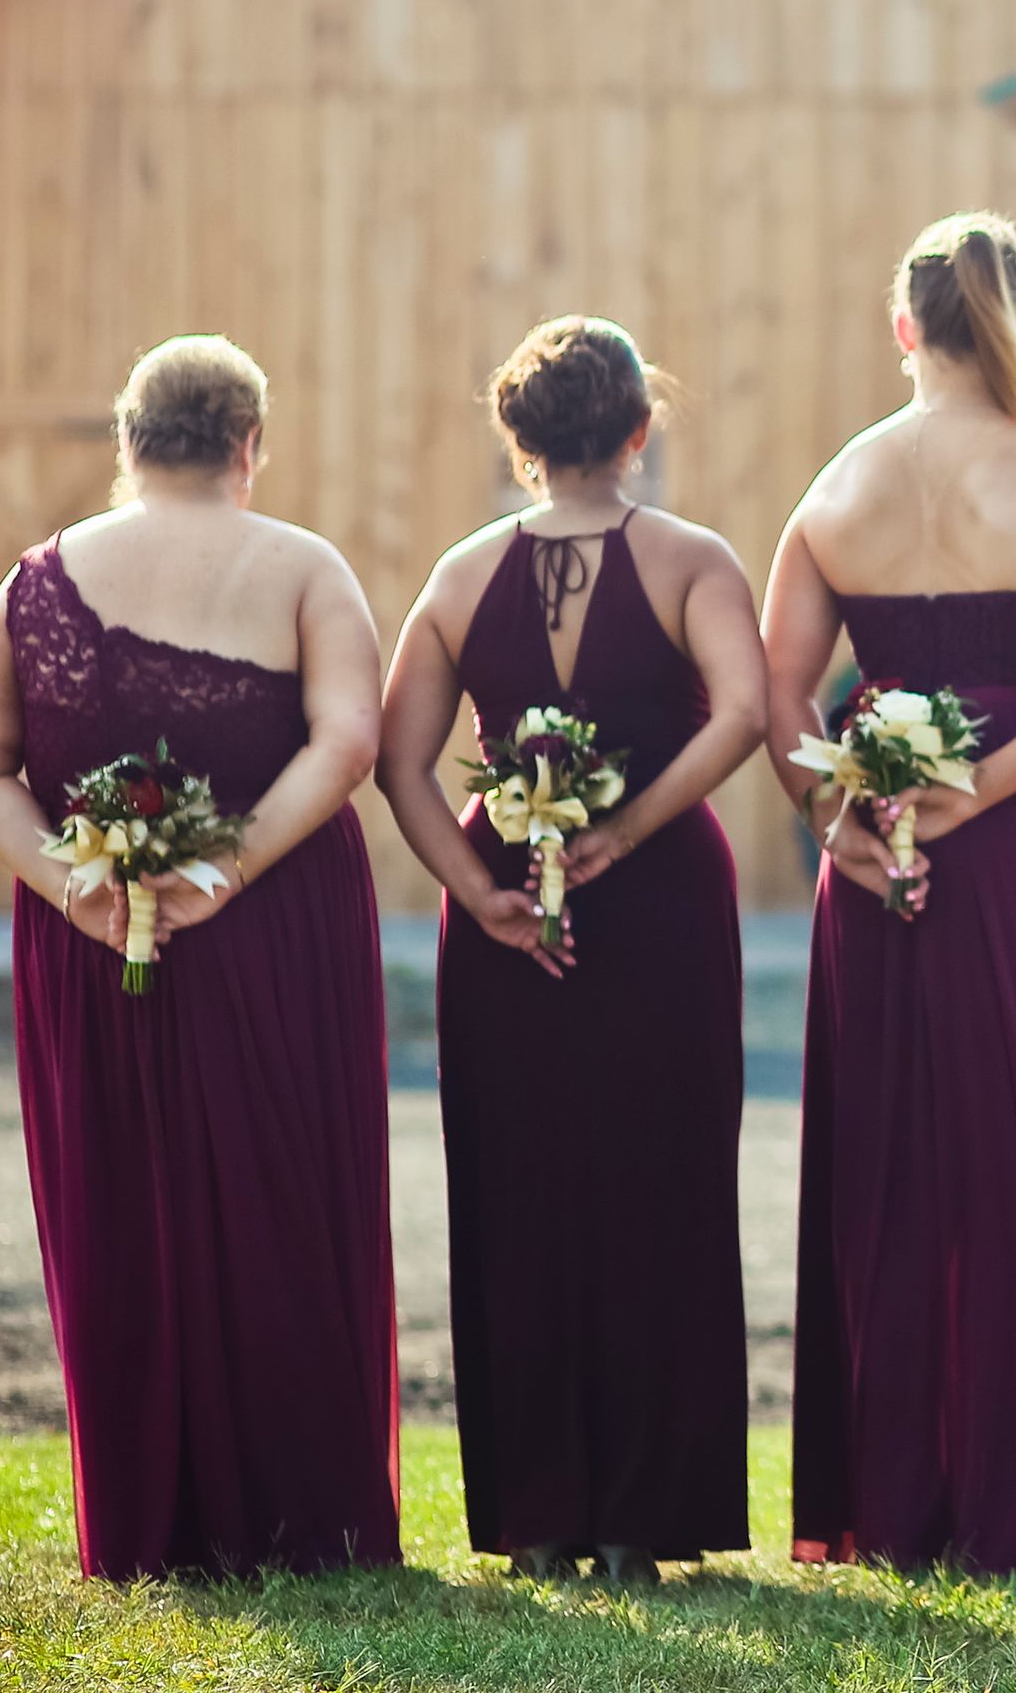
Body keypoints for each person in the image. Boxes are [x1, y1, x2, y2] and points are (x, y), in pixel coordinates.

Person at [0, 336, 398, 1577]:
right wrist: (232, 867)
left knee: (123, 1200)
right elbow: (349, 739)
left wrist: (79, 888)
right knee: (288, 1197)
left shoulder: (34, 584)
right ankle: (315, 1518)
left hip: (93, 945)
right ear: (250, 446)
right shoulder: (302, 565)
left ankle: (150, 1525)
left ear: (127, 446)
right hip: (279, 932)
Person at [769, 214, 1016, 1574]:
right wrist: (980, 793)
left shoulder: (836, 488)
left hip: (872, 855)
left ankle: (889, 1502)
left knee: (881, 1154)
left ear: (903, 328)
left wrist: (837, 818)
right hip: (1011, 851)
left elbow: (781, 698)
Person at [378, 317, 764, 1578]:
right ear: (638, 430)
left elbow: (400, 760)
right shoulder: (693, 559)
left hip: (502, 907)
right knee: (665, 1185)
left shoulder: (454, 577)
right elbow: (745, 715)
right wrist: (636, 827)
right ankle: (640, 1522)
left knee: (520, 1188)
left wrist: (476, 887)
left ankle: (540, 1513)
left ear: (519, 438)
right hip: (656, 902)